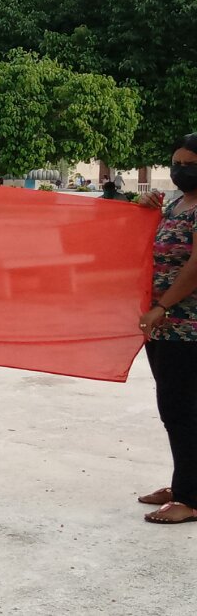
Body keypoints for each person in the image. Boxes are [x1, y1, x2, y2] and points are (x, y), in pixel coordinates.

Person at [136, 133, 197, 524]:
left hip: (187, 327)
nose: (179, 171)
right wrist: (143, 210)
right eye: (176, 163)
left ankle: (190, 499)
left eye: (189, 165)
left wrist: (162, 305)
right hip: (162, 327)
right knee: (174, 409)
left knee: (183, 409)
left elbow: (194, 269)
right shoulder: (176, 202)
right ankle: (183, 482)